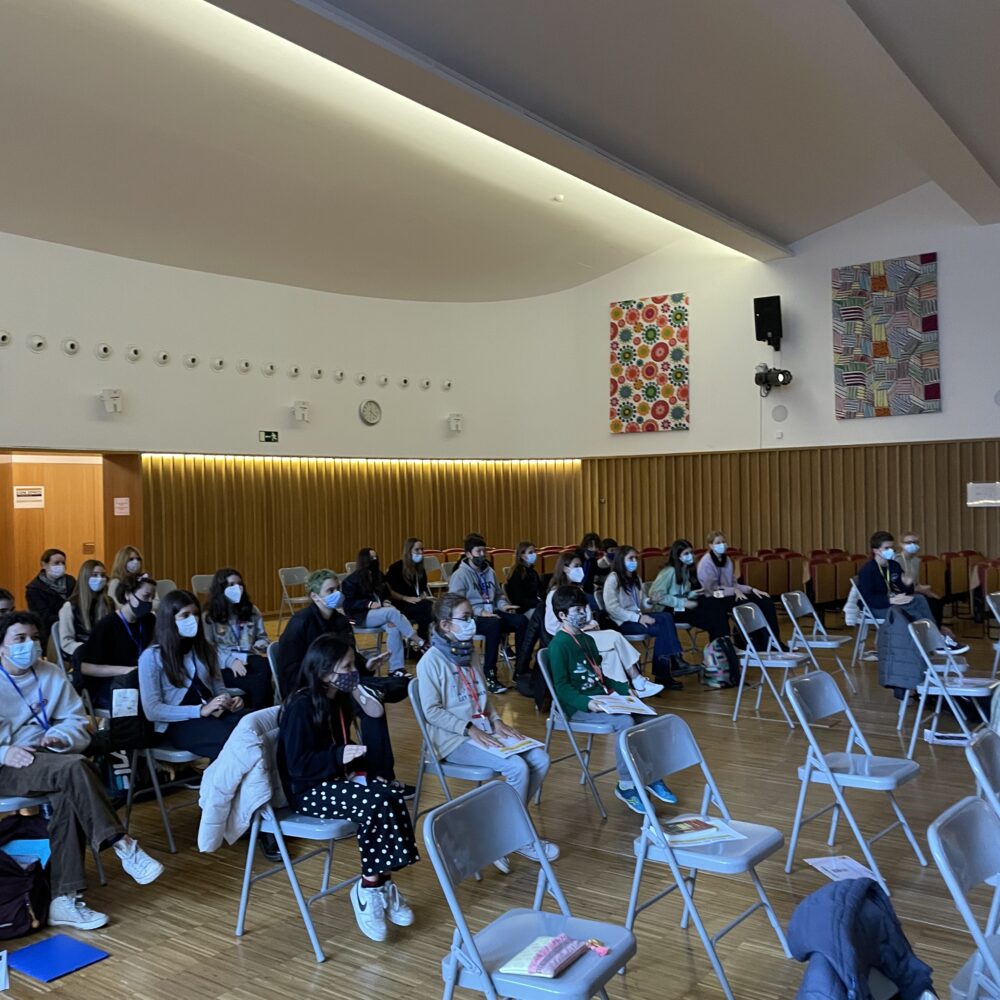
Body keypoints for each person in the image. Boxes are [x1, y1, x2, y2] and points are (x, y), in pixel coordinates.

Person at [0, 610, 163, 931]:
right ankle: (122, 843)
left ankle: (64, 898)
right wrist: (5, 752)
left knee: (69, 790)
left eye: (34, 638)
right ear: (1, 647)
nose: (29, 644)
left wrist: (62, 737)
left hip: (51, 759)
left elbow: (77, 720)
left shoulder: (49, 673)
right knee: (76, 769)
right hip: (8, 765)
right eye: (20, 639)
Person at [278, 633, 418, 943]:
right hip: (309, 791)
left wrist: (362, 770)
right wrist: (338, 756)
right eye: (347, 667)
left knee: (390, 794)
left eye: (353, 664)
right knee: (375, 805)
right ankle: (368, 888)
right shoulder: (301, 706)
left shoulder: (337, 700)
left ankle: (383, 884)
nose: (354, 671)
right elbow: (298, 765)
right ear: (324, 672)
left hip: (336, 779)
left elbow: (363, 724)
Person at [417, 593, 556, 871]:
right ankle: (514, 836)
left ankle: (500, 833)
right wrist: (468, 728)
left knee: (540, 758)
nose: (472, 622)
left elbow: (481, 695)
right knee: (517, 767)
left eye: (471, 616)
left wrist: (496, 720)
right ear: (445, 625)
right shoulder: (430, 661)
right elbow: (431, 712)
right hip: (452, 739)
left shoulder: (469, 653)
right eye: (465, 618)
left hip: (482, 728)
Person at [275, 569, 407, 792]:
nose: (337, 593)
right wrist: (319, 686)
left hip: (343, 686)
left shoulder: (341, 621)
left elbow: (350, 658)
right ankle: (380, 775)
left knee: (383, 696)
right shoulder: (300, 623)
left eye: (338, 588)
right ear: (315, 596)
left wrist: (366, 665)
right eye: (330, 590)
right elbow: (288, 672)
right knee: (370, 701)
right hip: (316, 692)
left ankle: (380, 775)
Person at [546, 586, 676, 812]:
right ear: (562, 615)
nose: (583, 613)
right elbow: (561, 688)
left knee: (649, 718)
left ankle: (650, 775)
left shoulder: (587, 639)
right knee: (625, 722)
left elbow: (601, 676)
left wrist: (625, 689)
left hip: (600, 698)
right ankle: (626, 785)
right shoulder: (559, 645)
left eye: (584, 608)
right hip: (574, 707)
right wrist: (587, 703)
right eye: (577, 610)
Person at [138, 589, 246, 761]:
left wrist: (228, 700)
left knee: (256, 725)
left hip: (212, 714)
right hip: (178, 723)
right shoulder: (151, 657)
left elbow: (219, 688)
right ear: (170, 620)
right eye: (185, 615)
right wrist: (200, 711)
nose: (193, 620)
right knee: (237, 740)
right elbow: (152, 710)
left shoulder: (204, 648)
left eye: (195, 614)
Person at [544, 550, 662, 696]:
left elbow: (588, 616)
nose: (580, 570)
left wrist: (592, 623)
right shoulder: (555, 594)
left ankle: (624, 692)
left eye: (580, 565)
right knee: (614, 636)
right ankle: (638, 680)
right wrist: (583, 628)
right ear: (565, 568)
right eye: (576, 566)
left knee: (612, 654)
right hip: (572, 637)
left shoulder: (577, 590)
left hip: (587, 634)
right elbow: (551, 626)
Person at [650, 539, 740, 685]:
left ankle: (721, 650)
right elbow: (656, 596)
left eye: (691, 552)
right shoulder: (669, 571)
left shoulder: (685, 570)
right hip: (669, 609)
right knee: (712, 615)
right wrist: (683, 602)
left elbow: (682, 593)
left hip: (683, 605)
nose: (690, 556)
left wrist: (693, 594)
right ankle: (719, 652)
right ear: (678, 556)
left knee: (715, 607)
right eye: (686, 553)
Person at [448, 533, 528, 694]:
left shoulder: (490, 571)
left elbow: (498, 595)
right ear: (468, 554)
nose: (482, 555)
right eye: (478, 551)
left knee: (522, 620)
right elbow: (457, 603)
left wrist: (504, 606)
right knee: (494, 624)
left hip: (492, 612)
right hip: (471, 617)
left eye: (484, 551)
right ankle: (490, 673)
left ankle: (521, 670)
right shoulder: (460, 575)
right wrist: (480, 612)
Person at [603, 545, 685, 688]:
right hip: (623, 622)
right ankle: (665, 671)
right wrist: (638, 618)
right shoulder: (613, 579)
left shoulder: (636, 578)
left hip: (637, 616)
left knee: (666, 616)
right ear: (621, 560)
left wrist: (651, 601)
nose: (634, 561)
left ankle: (673, 662)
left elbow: (640, 603)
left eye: (636, 558)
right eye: (631, 558)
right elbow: (612, 608)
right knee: (662, 629)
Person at [77, 573, 157, 710]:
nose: (149, 602)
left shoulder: (149, 620)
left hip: (139, 681)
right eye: (146, 596)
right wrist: (130, 670)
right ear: (128, 594)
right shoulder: (107, 625)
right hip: (109, 684)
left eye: (152, 598)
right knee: (141, 704)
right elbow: (86, 668)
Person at [696, 531, 784, 651]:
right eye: (718, 543)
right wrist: (734, 591)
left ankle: (773, 641)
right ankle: (752, 643)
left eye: (723, 542)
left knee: (765, 600)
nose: (722, 545)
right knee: (746, 604)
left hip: (729, 593)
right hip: (714, 596)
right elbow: (711, 589)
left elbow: (733, 583)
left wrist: (752, 589)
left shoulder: (727, 560)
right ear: (711, 546)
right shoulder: (706, 563)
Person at [342, 547, 426, 671]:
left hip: (380, 613)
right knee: (391, 612)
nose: (375, 559)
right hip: (360, 617)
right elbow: (348, 604)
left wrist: (386, 601)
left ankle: (396, 669)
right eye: (371, 557)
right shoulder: (351, 580)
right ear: (364, 559)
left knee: (394, 628)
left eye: (376, 556)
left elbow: (385, 594)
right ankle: (417, 640)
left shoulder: (378, 575)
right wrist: (368, 604)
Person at [202, 568, 274, 711]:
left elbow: (261, 637)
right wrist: (230, 661)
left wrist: (261, 645)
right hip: (223, 665)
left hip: (248, 657)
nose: (238, 588)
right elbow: (208, 650)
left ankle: (263, 713)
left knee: (265, 668)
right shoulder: (209, 616)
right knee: (258, 681)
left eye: (240, 584)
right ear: (221, 589)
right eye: (232, 585)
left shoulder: (252, 610)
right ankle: (259, 714)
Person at [57, 559, 116, 662]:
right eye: (95, 575)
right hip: (82, 655)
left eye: (103, 575)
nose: (100, 579)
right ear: (85, 578)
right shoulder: (70, 606)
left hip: (106, 653)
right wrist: (89, 650)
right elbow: (66, 642)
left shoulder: (109, 603)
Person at [898, 530, 950, 632]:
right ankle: (934, 630)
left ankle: (937, 628)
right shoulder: (897, 560)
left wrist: (926, 590)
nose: (912, 545)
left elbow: (916, 582)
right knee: (931, 602)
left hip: (914, 590)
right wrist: (922, 590)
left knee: (938, 600)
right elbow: (900, 585)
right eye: (908, 542)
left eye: (915, 542)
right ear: (901, 544)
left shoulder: (915, 561)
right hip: (903, 593)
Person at [384, 537, 435, 641]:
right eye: (417, 550)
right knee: (427, 607)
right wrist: (405, 598)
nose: (420, 552)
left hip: (415, 603)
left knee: (429, 610)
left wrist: (423, 596)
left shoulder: (420, 570)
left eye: (422, 549)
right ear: (409, 551)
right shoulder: (396, 568)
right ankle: (421, 641)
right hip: (399, 603)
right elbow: (388, 591)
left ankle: (420, 642)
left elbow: (422, 589)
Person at [25, 548, 75, 649]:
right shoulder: (35, 589)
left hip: (73, 628)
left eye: (63, 563)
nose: (61, 566)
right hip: (49, 633)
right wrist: (66, 618)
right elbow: (42, 616)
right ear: (44, 565)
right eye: (56, 563)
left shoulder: (71, 581)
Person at [505, 541, 543, 616]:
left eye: (534, 552)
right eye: (530, 552)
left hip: (535, 605)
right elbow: (518, 599)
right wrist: (538, 602)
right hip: (524, 609)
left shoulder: (533, 572)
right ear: (522, 556)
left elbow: (540, 590)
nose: (534, 554)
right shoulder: (516, 573)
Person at [579, 532, 603, 608]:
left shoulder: (593, 560)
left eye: (596, 546)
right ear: (585, 546)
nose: (594, 549)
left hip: (587, 590)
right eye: (591, 546)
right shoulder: (576, 558)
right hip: (576, 589)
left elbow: (597, 573)